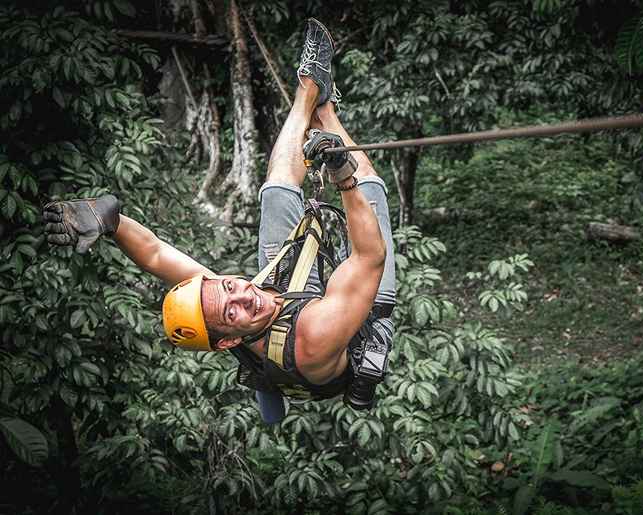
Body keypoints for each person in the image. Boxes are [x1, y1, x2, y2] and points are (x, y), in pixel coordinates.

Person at [43, 18, 396, 424]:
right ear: (228, 340)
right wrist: (343, 174)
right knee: (369, 193)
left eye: (228, 285)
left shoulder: (228, 299)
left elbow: (157, 255)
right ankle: (326, 111)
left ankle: (309, 89)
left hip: (284, 304)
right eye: (233, 313)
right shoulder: (314, 338)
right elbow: (369, 256)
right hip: (337, 327)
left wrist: (110, 220)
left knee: (279, 189)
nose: (243, 294)